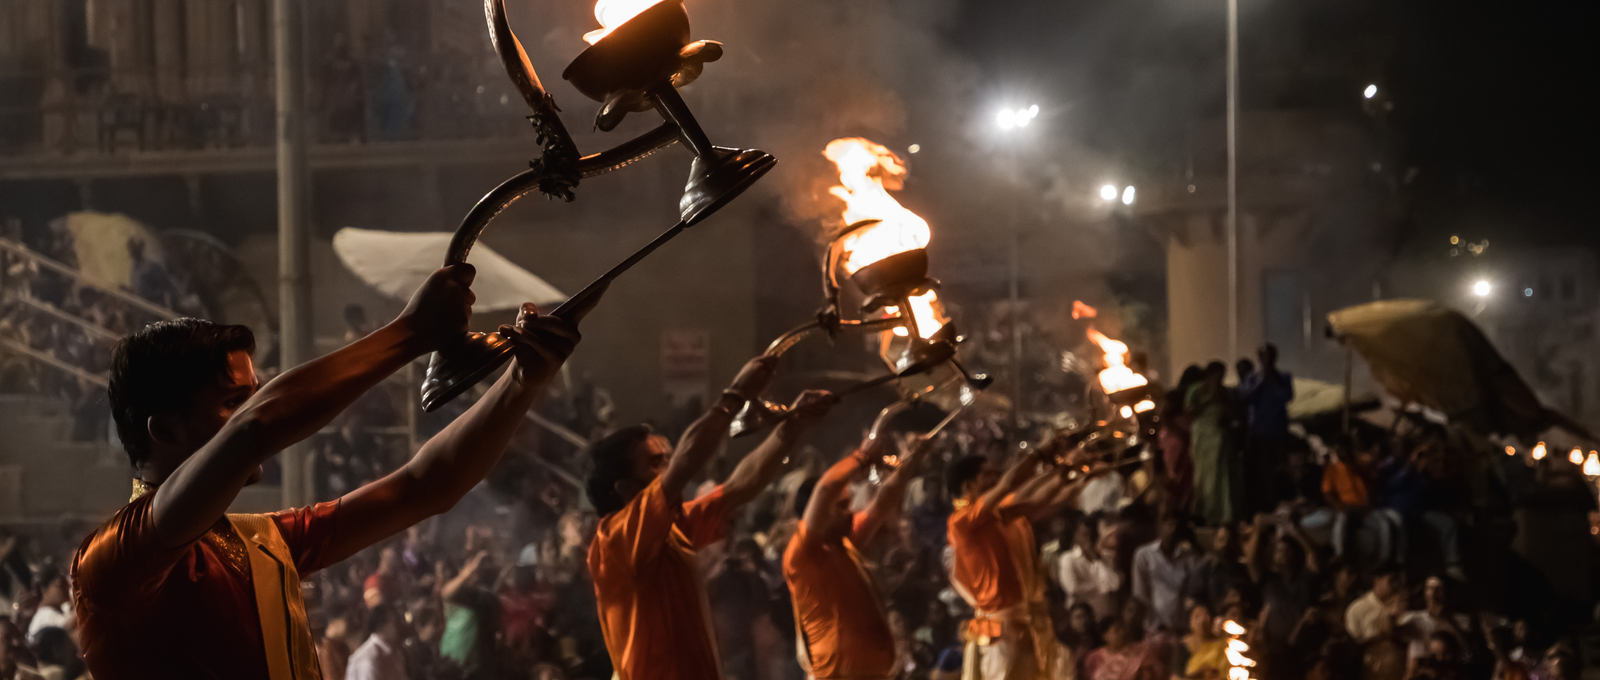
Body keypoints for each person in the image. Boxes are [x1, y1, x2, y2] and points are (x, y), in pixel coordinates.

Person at [72, 265, 580, 679]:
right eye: (232, 402)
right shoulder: (113, 562)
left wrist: (522, 380)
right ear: (163, 430)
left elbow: (426, 485)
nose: (253, 410)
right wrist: (408, 334)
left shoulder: (261, 541)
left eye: (254, 395)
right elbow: (258, 428)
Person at [584, 351, 836, 680]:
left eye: (667, 460)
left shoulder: (670, 527)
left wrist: (792, 426)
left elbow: (737, 489)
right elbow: (687, 462)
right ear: (627, 489)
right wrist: (735, 395)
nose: (669, 470)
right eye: (656, 463)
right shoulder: (615, 540)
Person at [785, 430, 932, 680]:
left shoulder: (844, 544)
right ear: (816, 514)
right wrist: (862, 457)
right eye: (842, 506)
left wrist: (910, 460)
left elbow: (882, 504)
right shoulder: (802, 555)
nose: (851, 512)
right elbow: (824, 490)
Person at [946, 442, 1096, 680]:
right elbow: (1010, 485)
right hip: (1001, 631)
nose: (996, 479)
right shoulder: (961, 522)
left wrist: (1071, 471)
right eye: (988, 475)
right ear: (969, 486)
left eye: (996, 474)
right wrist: (1040, 455)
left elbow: (1036, 501)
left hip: (1022, 625)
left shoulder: (997, 515)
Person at [1241, 344, 1294, 515]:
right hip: (1259, 432)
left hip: (1277, 431)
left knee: (1279, 470)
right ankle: (1263, 506)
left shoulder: (1283, 377)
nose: (1266, 360)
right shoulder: (1252, 378)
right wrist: (1261, 382)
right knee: (1261, 472)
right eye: (1263, 357)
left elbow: (1287, 396)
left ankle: (1279, 502)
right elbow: (1246, 397)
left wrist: (1271, 382)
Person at [1187, 362, 1238, 526]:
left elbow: (1230, 413)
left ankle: (1222, 515)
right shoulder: (1197, 390)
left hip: (1219, 437)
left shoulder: (1226, 392)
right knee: (1203, 476)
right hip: (1202, 437)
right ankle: (1204, 512)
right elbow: (1190, 411)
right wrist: (1210, 398)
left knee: (1221, 477)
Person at [1129, 512, 1195, 634]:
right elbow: (1140, 593)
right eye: (1170, 525)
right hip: (1153, 626)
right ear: (1161, 526)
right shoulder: (1144, 554)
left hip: (1180, 626)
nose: (1173, 530)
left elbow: (1189, 592)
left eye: (1177, 526)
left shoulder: (1187, 557)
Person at [439, 550, 499, 679]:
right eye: (472, 570)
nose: (475, 574)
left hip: (476, 665)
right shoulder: (458, 595)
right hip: (452, 662)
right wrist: (468, 571)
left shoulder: (485, 596)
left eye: (478, 570)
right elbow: (445, 593)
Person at [1055, 514, 1121, 621]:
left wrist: (1098, 560)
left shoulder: (1106, 558)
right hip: (1084, 620)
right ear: (1076, 536)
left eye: (1093, 535)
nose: (1089, 539)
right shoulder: (1068, 559)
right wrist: (1102, 587)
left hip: (1106, 617)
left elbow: (1115, 585)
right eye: (1085, 534)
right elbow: (1073, 588)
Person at [346, 604, 409, 680]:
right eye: (394, 622)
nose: (397, 627)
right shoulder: (369, 657)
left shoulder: (392, 652)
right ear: (383, 626)